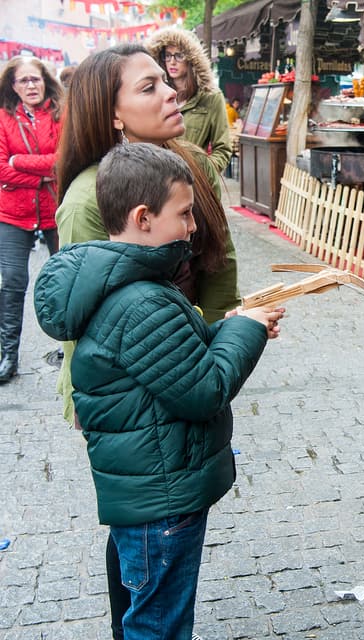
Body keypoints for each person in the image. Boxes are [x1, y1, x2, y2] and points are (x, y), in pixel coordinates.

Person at [33, 142, 284, 640]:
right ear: (144, 217)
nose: (193, 227)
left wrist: (231, 326)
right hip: (161, 501)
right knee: (158, 625)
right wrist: (246, 331)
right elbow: (204, 388)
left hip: (151, 494)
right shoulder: (141, 299)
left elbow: (171, 361)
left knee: (146, 615)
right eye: (185, 214)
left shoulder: (133, 286)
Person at [54, 43, 241, 639]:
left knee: (158, 536)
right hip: (130, 388)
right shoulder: (89, 196)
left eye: (168, 81)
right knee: (143, 533)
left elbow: (220, 266)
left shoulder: (191, 167)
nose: (169, 94)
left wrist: (214, 339)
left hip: (182, 361)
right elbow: (84, 317)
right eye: (147, 88)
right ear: (112, 114)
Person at [0, 55, 63, 384]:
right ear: (13, 86)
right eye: (23, 80)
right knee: (11, 282)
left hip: (56, 209)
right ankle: (7, 353)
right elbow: (0, 168)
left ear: (45, 80)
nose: (30, 85)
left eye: (35, 79)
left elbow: (64, 159)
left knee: (66, 277)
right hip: (12, 212)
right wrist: (41, 176)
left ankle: (71, 346)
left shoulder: (60, 114)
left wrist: (20, 162)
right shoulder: (2, 118)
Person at [146, 27, 232, 173]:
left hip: (194, 185)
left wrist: (202, 174)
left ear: (191, 59)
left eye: (179, 55)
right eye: (167, 55)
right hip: (158, 181)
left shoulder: (210, 97)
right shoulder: (155, 95)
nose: (172, 61)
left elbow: (223, 149)